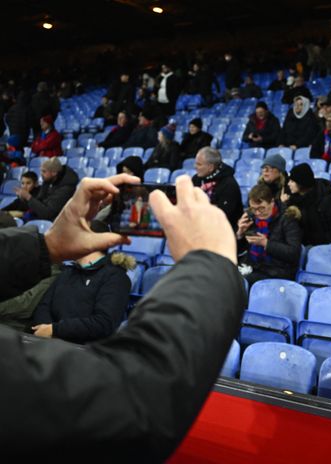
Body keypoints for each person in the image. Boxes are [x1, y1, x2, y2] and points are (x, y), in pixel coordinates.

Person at [0, 174, 245, 460]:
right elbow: (134, 401)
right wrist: (210, 265)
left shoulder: (112, 277)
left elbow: (103, 323)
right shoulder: (69, 274)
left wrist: (47, 246)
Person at [31, 220, 133, 344]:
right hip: (50, 343)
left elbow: (103, 323)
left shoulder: (116, 277)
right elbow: (44, 306)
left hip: (84, 351)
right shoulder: (68, 272)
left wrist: (55, 330)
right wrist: (46, 330)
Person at [236, 183, 302, 285]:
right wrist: (239, 234)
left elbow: (294, 253)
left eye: (262, 208)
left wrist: (266, 244)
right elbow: (238, 251)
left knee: (239, 283)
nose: (257, 213)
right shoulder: (250, 217)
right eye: (253, 208)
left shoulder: (288, 219)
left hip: (277, 271)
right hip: (252, 266)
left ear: (272, 202)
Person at [7, 158, 79, 221]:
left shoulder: (66, 189)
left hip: (57, 223)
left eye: (44, 171)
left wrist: (28, 197)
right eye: (41, 171)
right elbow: (40, 201)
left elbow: (48, 213)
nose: (41, 174)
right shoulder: (48, 180)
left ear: (54, 173)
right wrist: (25, 199)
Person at [283, 163, 331, 246]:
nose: (288, 184)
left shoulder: (325, 200)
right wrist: (283, 205)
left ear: (301, 183)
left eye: (292, 181)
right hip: (300, 244)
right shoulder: (292, 199)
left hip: (321, 245)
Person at [192, 147, 243, 230]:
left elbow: (223, 214)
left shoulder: (229, 185)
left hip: (225, 230)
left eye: (199, 164)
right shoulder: (196, 179)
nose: (195, 167)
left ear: (211, 167)